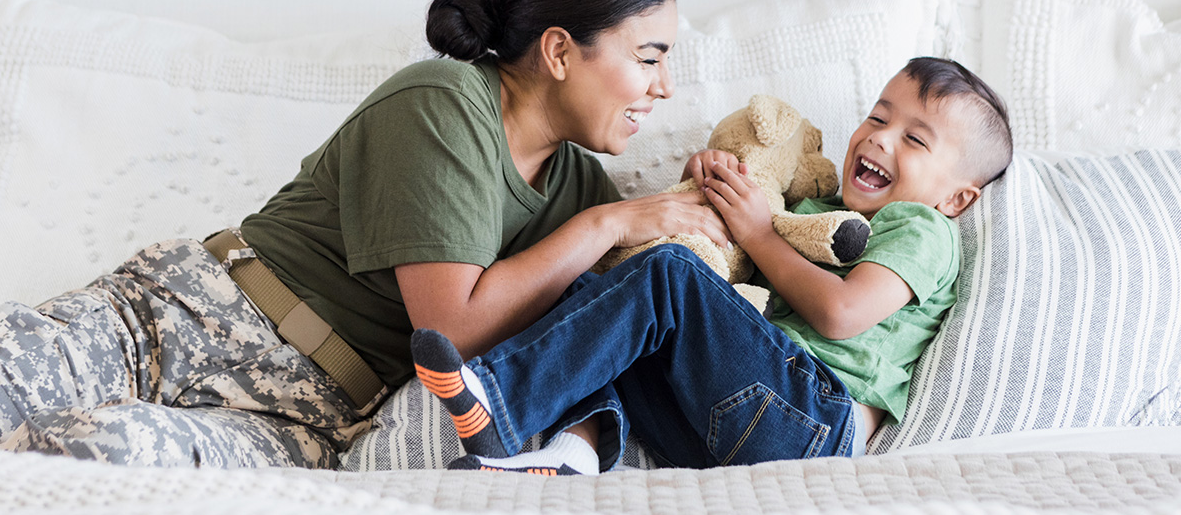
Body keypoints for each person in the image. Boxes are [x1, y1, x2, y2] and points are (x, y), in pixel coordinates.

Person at [0, 0, 729, 468]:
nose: (664, 86)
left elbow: (639, 299)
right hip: (187, 315)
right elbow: (453, 326)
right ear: (561, 51)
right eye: (649, 57)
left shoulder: (581, 189)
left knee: (88, 459)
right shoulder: (444, 101)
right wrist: (607, 223)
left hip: (306, 417)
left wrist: (721, 206)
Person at [411, 57, 1014, 474]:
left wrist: (757, 230)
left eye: (915, 139)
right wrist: (716, 186)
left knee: (669, 274)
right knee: (608, 305)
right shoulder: (813, 209)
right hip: (726, 424)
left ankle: (499, 397)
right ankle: (573, 455)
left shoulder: (923, 227)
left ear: (957, 197)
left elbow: (840, 313)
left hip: (811, 420)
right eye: (879, 118)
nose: (881, 139)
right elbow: (728, 282)